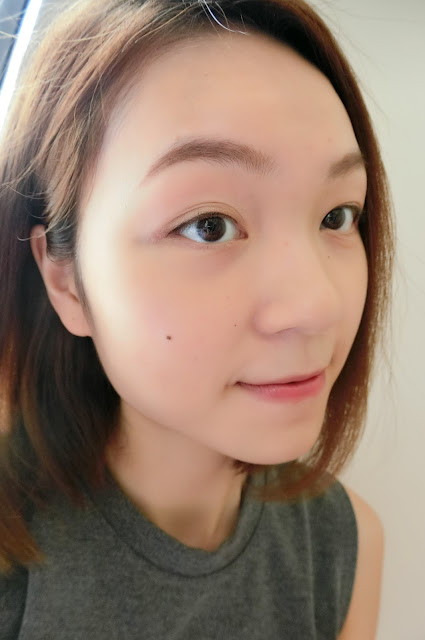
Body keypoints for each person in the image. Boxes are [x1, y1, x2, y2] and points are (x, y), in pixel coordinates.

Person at [0, 0, 394, 638]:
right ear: (64, 278)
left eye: (337, 217)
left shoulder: (343, 547)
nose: (318, 305)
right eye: (209, 226)